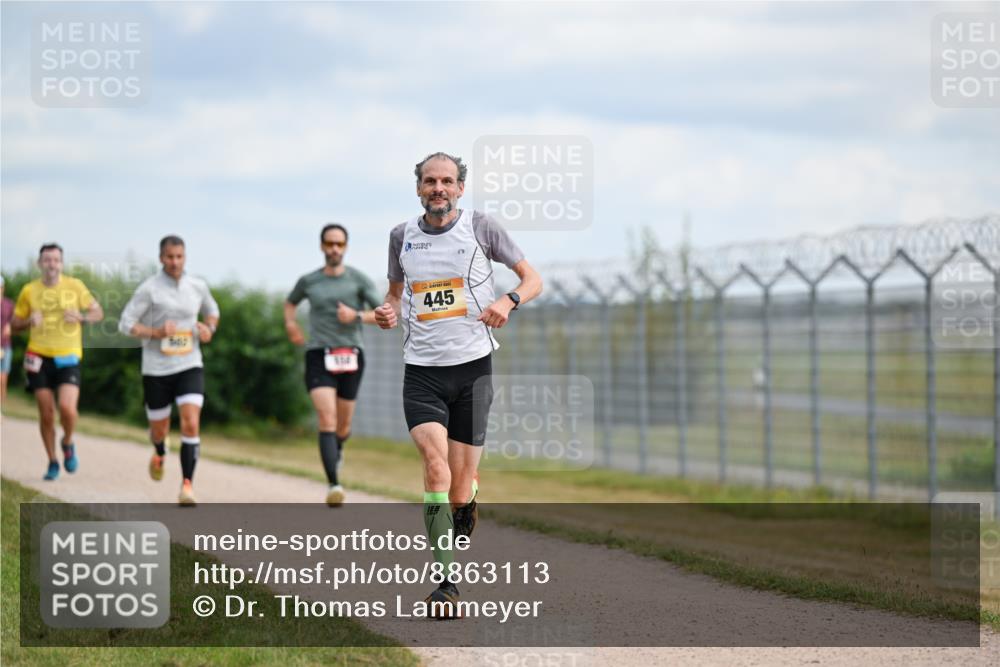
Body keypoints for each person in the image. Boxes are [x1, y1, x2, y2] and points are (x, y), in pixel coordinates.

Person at [374, 152, 542, 617]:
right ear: (418, 188)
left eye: (447, 181)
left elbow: (533, 279)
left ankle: (467, 500)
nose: (438, 189)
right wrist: (387, 312)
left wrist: (508, 301)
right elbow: (393, 296)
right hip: (422, 372)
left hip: (473, 369)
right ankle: (446, 584)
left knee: (459, 488)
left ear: (460, 188)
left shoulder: (481, 227)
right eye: (430, 181)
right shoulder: (400, 236)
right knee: (435, 466)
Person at [118, 236, 220, 506]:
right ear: (161, 258)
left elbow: (212, 312)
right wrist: (156, 332)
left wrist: (209, 328)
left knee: (191, 422)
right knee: (159, 430)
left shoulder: (197, 286)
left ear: (185, 257)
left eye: (179, 256)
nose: (175, 262)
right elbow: (125, 324)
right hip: (156, 369)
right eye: (170, 257)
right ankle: (160, 450)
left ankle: (187, 486)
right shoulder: (149, 289)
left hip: (189, 364)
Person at [285, 223, 382, 506]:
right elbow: (290, 303)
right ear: (322, 246)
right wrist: (291, 324)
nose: (334, 249)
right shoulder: (309, 281)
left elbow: (381, 314)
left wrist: (356, 316)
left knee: (343, 425)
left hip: (351, 354)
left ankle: (337, 447)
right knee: (326, 418)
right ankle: (333, 484)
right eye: (330, 243)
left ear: (346, 247)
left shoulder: (359, 280)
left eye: (339, 244)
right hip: (319, 355)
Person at [11, 243, 104, 480]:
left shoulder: (75, 286)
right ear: (39, 263)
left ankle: (68, 441)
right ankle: (52, 461)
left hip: (68, 356)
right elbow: (14, 324)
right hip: (38, 356)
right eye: (47, 260)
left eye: (55, 260)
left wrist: (82, 317)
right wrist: (28, 321)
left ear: (61, 264)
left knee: (67, 409)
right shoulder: (29, 290)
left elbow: (98, 312)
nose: (51, 264)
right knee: (47, 414)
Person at [1, 276, 13, 407]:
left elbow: (15, 321)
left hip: (5, 346)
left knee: (3, 379)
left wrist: (10, 326)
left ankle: (1, 409)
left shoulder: (9, 304)